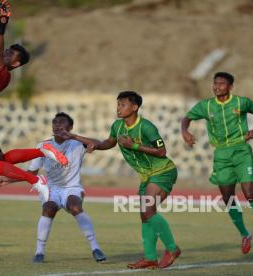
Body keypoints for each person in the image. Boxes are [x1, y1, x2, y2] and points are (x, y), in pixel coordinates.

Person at [57, 91, 181, 269]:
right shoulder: (117, 126)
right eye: (118, 104)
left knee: (148, 210)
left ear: (135, 107)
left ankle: (172, 248)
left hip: (163, 171)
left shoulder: (147, 127)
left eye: (122, 104)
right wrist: (76, 137)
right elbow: (107, 143)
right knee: (145, 216)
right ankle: (150, 258)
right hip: (147, 175)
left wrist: (134, 145)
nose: (118, 108)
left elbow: (162, 152)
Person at [0, 1, 68, 201]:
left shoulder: (2, 75)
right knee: (1, 160)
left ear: (16, 63)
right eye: (7, 50)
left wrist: (1, 28)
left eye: (11, 54)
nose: (6, 53)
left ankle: (35, 180)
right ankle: (42, 151)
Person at [181, 72, 253, 254]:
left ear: (230, 86)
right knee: (227, 198)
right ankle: (245, 234)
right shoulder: (206, 106)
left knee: (249, 193)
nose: (217, 87)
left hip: (241, 150)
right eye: (215, 83)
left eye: (221, 84)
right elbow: (187, 118)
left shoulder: (241, 102)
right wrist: (185, 132)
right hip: (221, 154)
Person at [0, 112, 106, 263]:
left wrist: (73, 136)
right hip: (52, 188)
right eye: (55, 122)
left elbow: (98, 143)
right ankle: (39, 252)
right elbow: (31, 172)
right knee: (48, 208)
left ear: (70, 126)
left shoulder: (77, 144)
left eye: (61, 122)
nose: (57, 125)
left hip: (72, 187)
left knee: (75, 207)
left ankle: (95, 248)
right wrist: (8, 179)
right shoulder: (43, 146)